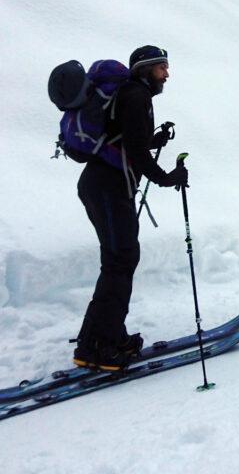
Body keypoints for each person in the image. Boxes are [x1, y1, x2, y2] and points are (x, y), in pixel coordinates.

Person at [73, 45, 188, 370]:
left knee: (117, 260)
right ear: (145, 69)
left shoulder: (131, 95)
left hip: (102, 185)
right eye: (161, 67)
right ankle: (105, 345)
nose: (167, 73)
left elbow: (124, 140)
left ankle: (93, 343)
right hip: (109, 188)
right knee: (121, 261)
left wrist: (153, 141)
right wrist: (168, 178)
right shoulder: (137, 96)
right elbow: (136, 154)